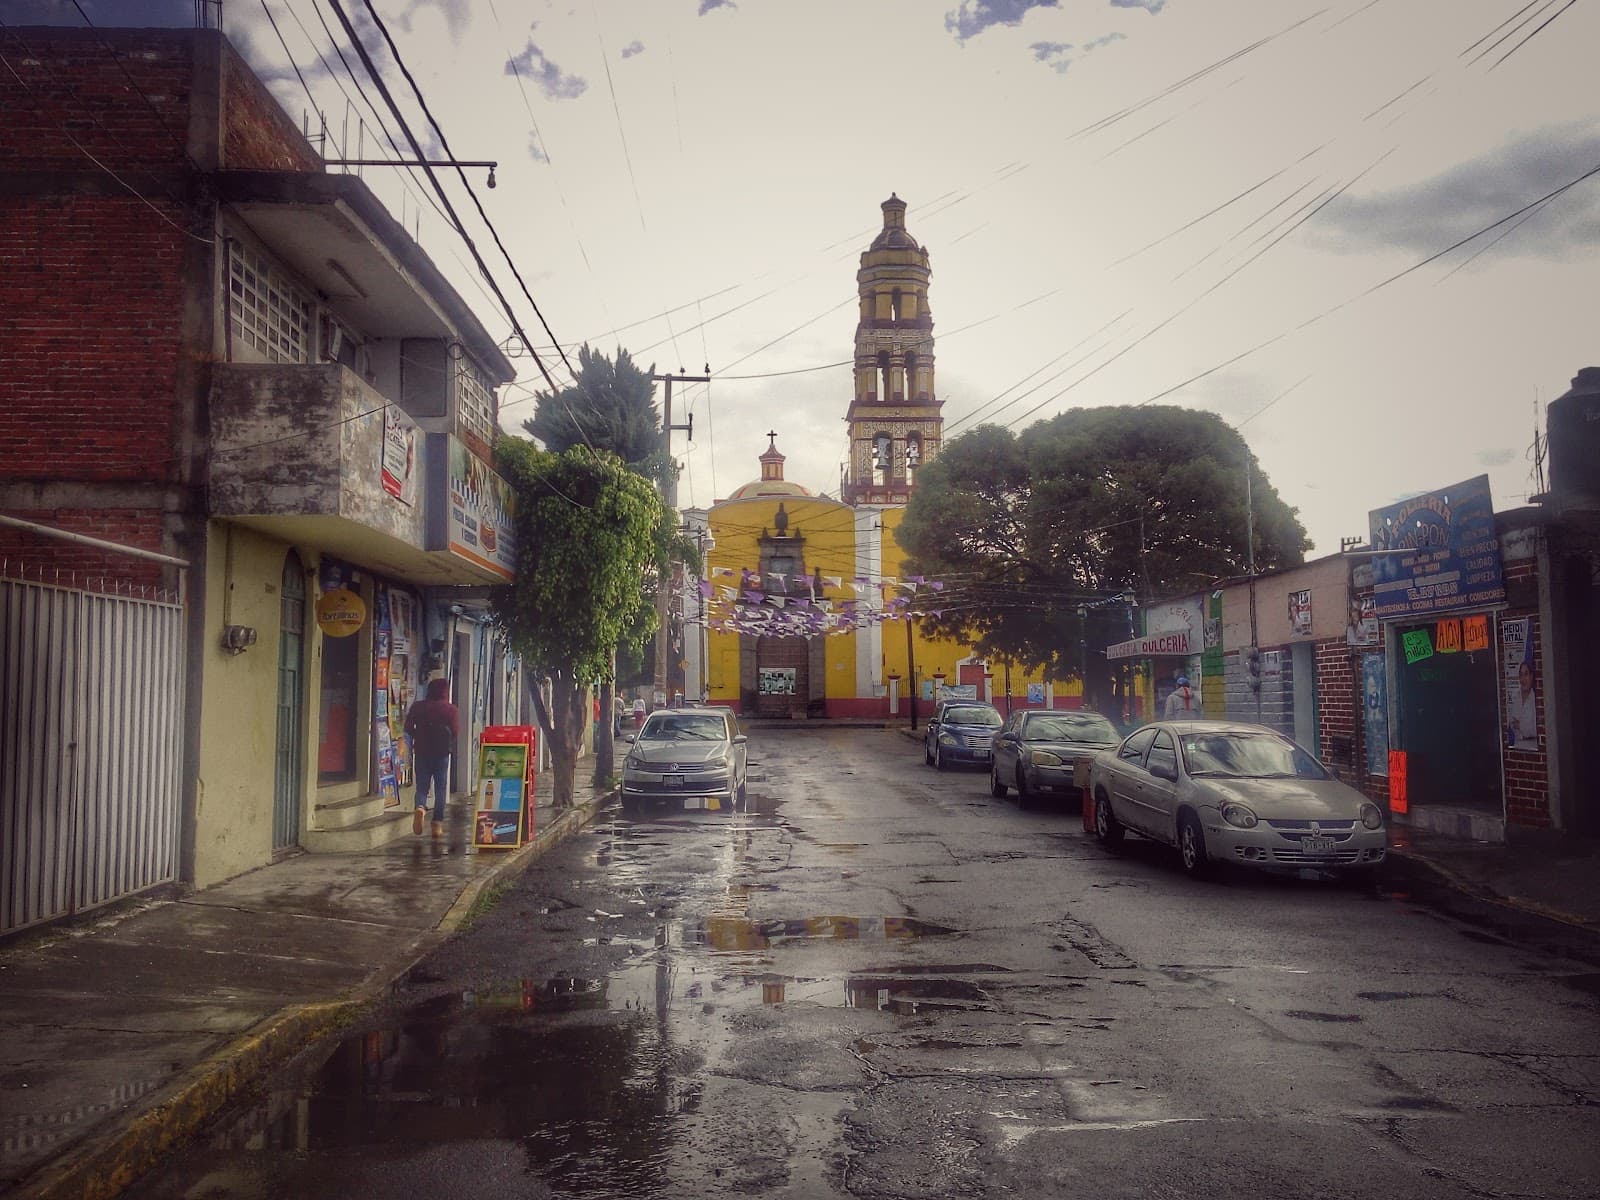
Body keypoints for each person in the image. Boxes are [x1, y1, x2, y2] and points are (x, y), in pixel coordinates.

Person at [405, 677, 458, 838]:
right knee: (440, 788)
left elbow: (408, 727)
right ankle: (437, 824)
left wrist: (418, 736)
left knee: (422, 786)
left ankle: (420, 807)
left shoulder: (418, 707)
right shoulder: (451, 710)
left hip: (421, 752)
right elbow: (455, 731)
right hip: (441, 753)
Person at [1507, 659, 1538, 751]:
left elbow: (1536, 729)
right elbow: (1512, 724)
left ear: (1531, 676)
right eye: (1521, 675)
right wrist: (1524, 730)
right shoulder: (1516, 697)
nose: (1523, 679)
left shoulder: (1536, 699)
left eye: (1526, 674)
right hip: (1518, 746)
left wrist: (1520, 725)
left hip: (1533, 748)